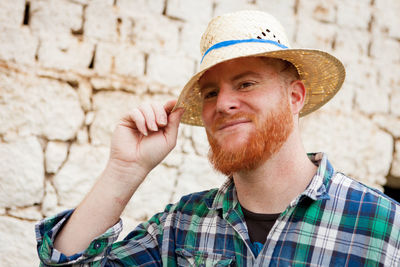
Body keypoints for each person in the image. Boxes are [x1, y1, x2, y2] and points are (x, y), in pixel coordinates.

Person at [36, 10, 400, 266]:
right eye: (210, 92)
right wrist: (124, 169)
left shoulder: (383, 226)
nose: (223, 103)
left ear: (295, 97)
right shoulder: (180, 227)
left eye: (246, 83)